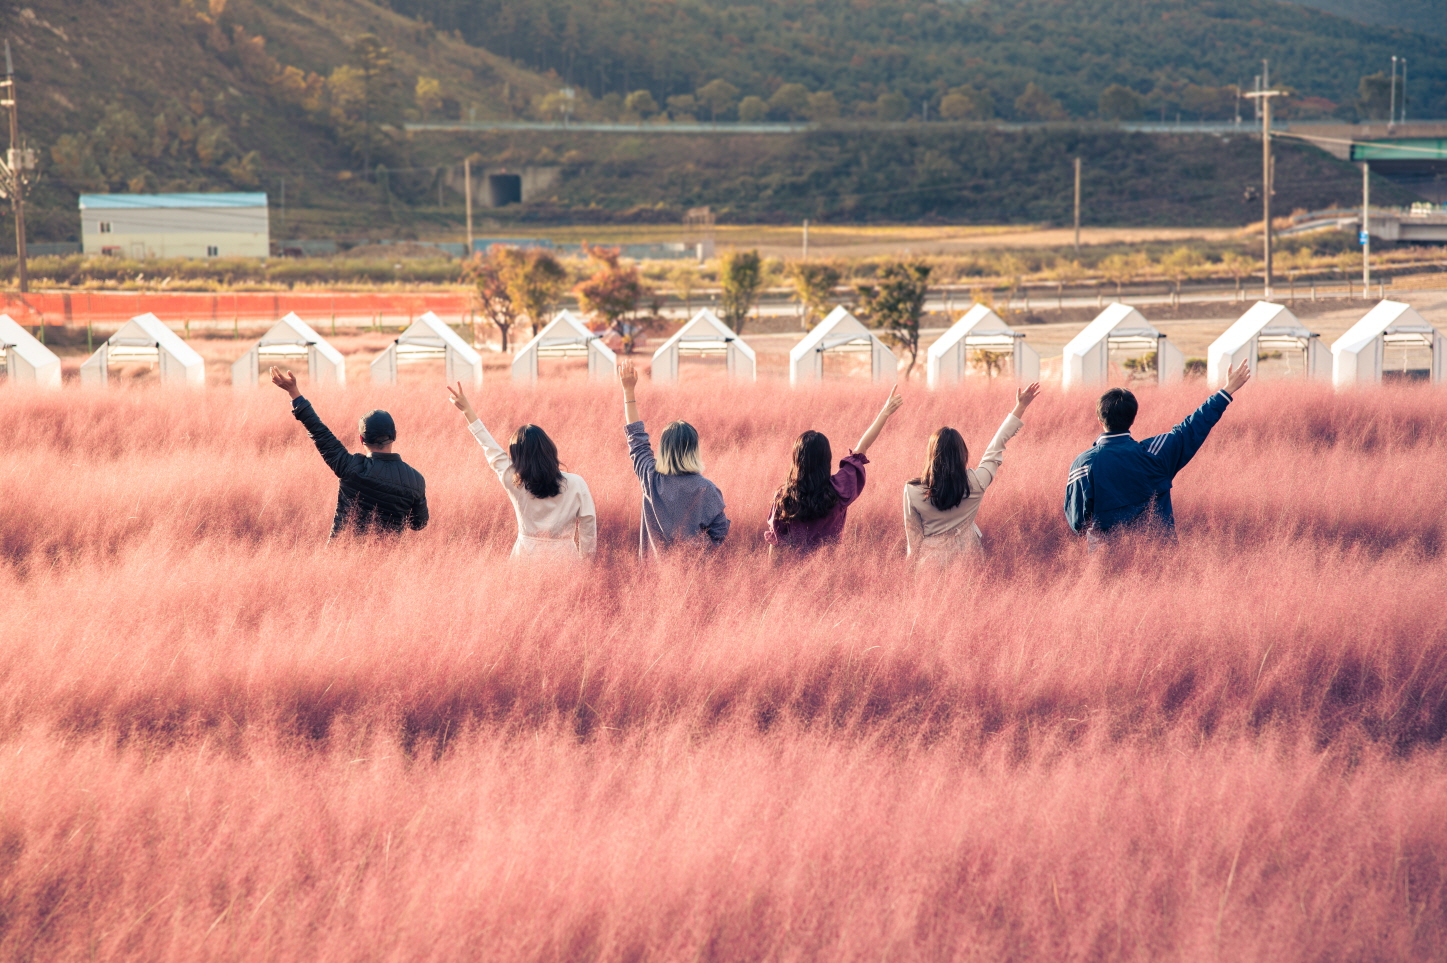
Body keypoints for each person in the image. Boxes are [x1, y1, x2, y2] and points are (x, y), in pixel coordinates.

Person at [1065, 360, 1251, 547]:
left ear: (1099, 420)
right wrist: (1227, 391)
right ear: (1133, 418)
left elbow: (1078, 525)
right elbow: (1192, 427)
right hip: (1159, 558)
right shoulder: (1155, 454)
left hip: (1106, 560)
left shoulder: (1083, 464)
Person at [270, 366, 428, 538]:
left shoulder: (351, 467)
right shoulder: (416, 479)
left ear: (361, 439)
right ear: (394, 436)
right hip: (389, 562)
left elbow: (319, 432)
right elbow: (419, 524)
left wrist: (294, 392)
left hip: (340, 557)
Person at [445, 382, 596, 559]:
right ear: (549, 449)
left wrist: (467, 411)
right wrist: (586, 563)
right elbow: (588, 524)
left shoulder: (513, 480)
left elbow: (490, 447)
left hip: (525, 557)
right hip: (565, 558)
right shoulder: (577, 483)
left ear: (517, 456)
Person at [904, 382, 1041, 562]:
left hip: (930, 562)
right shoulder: (976, 483)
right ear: (962, 453)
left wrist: (911, 574)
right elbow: (995, 449)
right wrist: (1020, 406)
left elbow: (913, 537)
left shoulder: (913, 490)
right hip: (968, 560)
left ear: (931, 454)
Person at [766, 385, 904, 554]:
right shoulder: (839, 490)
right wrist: (885, 412)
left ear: (796, 460)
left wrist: (771, 577)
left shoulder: (784, 496)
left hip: (792, 573)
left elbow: (776, 544)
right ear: (827, 458)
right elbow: (862, 447)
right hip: (829, 569)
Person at [617, 359, 730, 556]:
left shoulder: (651, 478)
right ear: (695, 449)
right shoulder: (707, 489)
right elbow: (719, 534)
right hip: (694, 578)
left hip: (652, 577)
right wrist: (692, 549)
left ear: (664, 449)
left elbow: (636, 439)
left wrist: (628, 391)